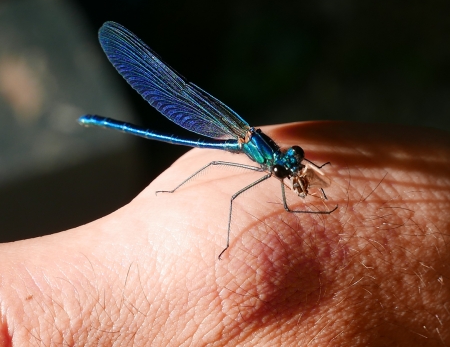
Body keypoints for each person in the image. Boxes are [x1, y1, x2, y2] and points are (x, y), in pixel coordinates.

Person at [0, 121, 449, 346]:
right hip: (231, 146)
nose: (291, 164)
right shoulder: (262, 158)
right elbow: (279, 203)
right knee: (227, 185)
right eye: (288, 162)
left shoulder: (280, 158)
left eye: (292, 160)